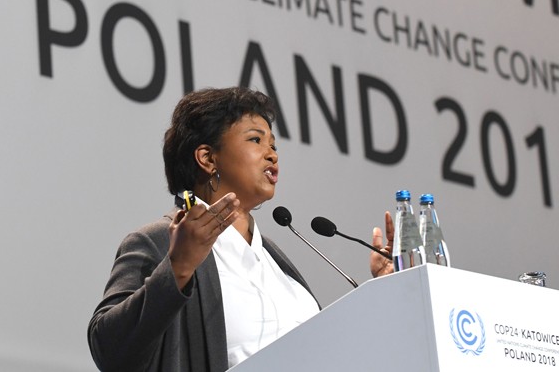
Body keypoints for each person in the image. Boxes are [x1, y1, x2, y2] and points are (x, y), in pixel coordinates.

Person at [89, 87, 395, 372]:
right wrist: (177, 269)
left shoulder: (275, 260)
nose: (272, 154)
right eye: (256, 140)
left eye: (273, 144)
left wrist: (383, 295)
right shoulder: (157, 241)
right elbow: (110, 350)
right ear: (208, 158)